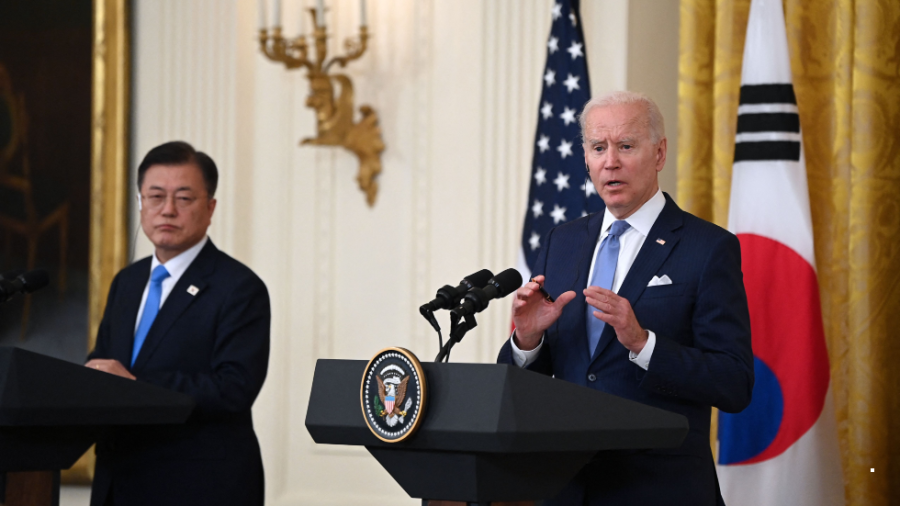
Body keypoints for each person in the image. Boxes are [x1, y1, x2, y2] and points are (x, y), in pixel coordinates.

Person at [498, 91, 753, 505]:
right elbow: (537, 381)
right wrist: (527, 341)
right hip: (568, 488)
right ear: (585, 158)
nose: (610, 161)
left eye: (626, 146)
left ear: (659, 153)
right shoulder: (562, 242)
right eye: (599, 148)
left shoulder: (707, 248)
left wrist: (643, 343)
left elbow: (734, 383)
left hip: (661, 490)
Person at [86, 141, 270, 506]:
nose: (167, 210)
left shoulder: (238, 287)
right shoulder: (127, 282)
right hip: (120, 480)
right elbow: (105, 363)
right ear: (141, 203)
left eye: (184, 198)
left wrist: (137, 384)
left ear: (210, 207)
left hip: (199, 484)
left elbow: (235, 387)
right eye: (155, 196)